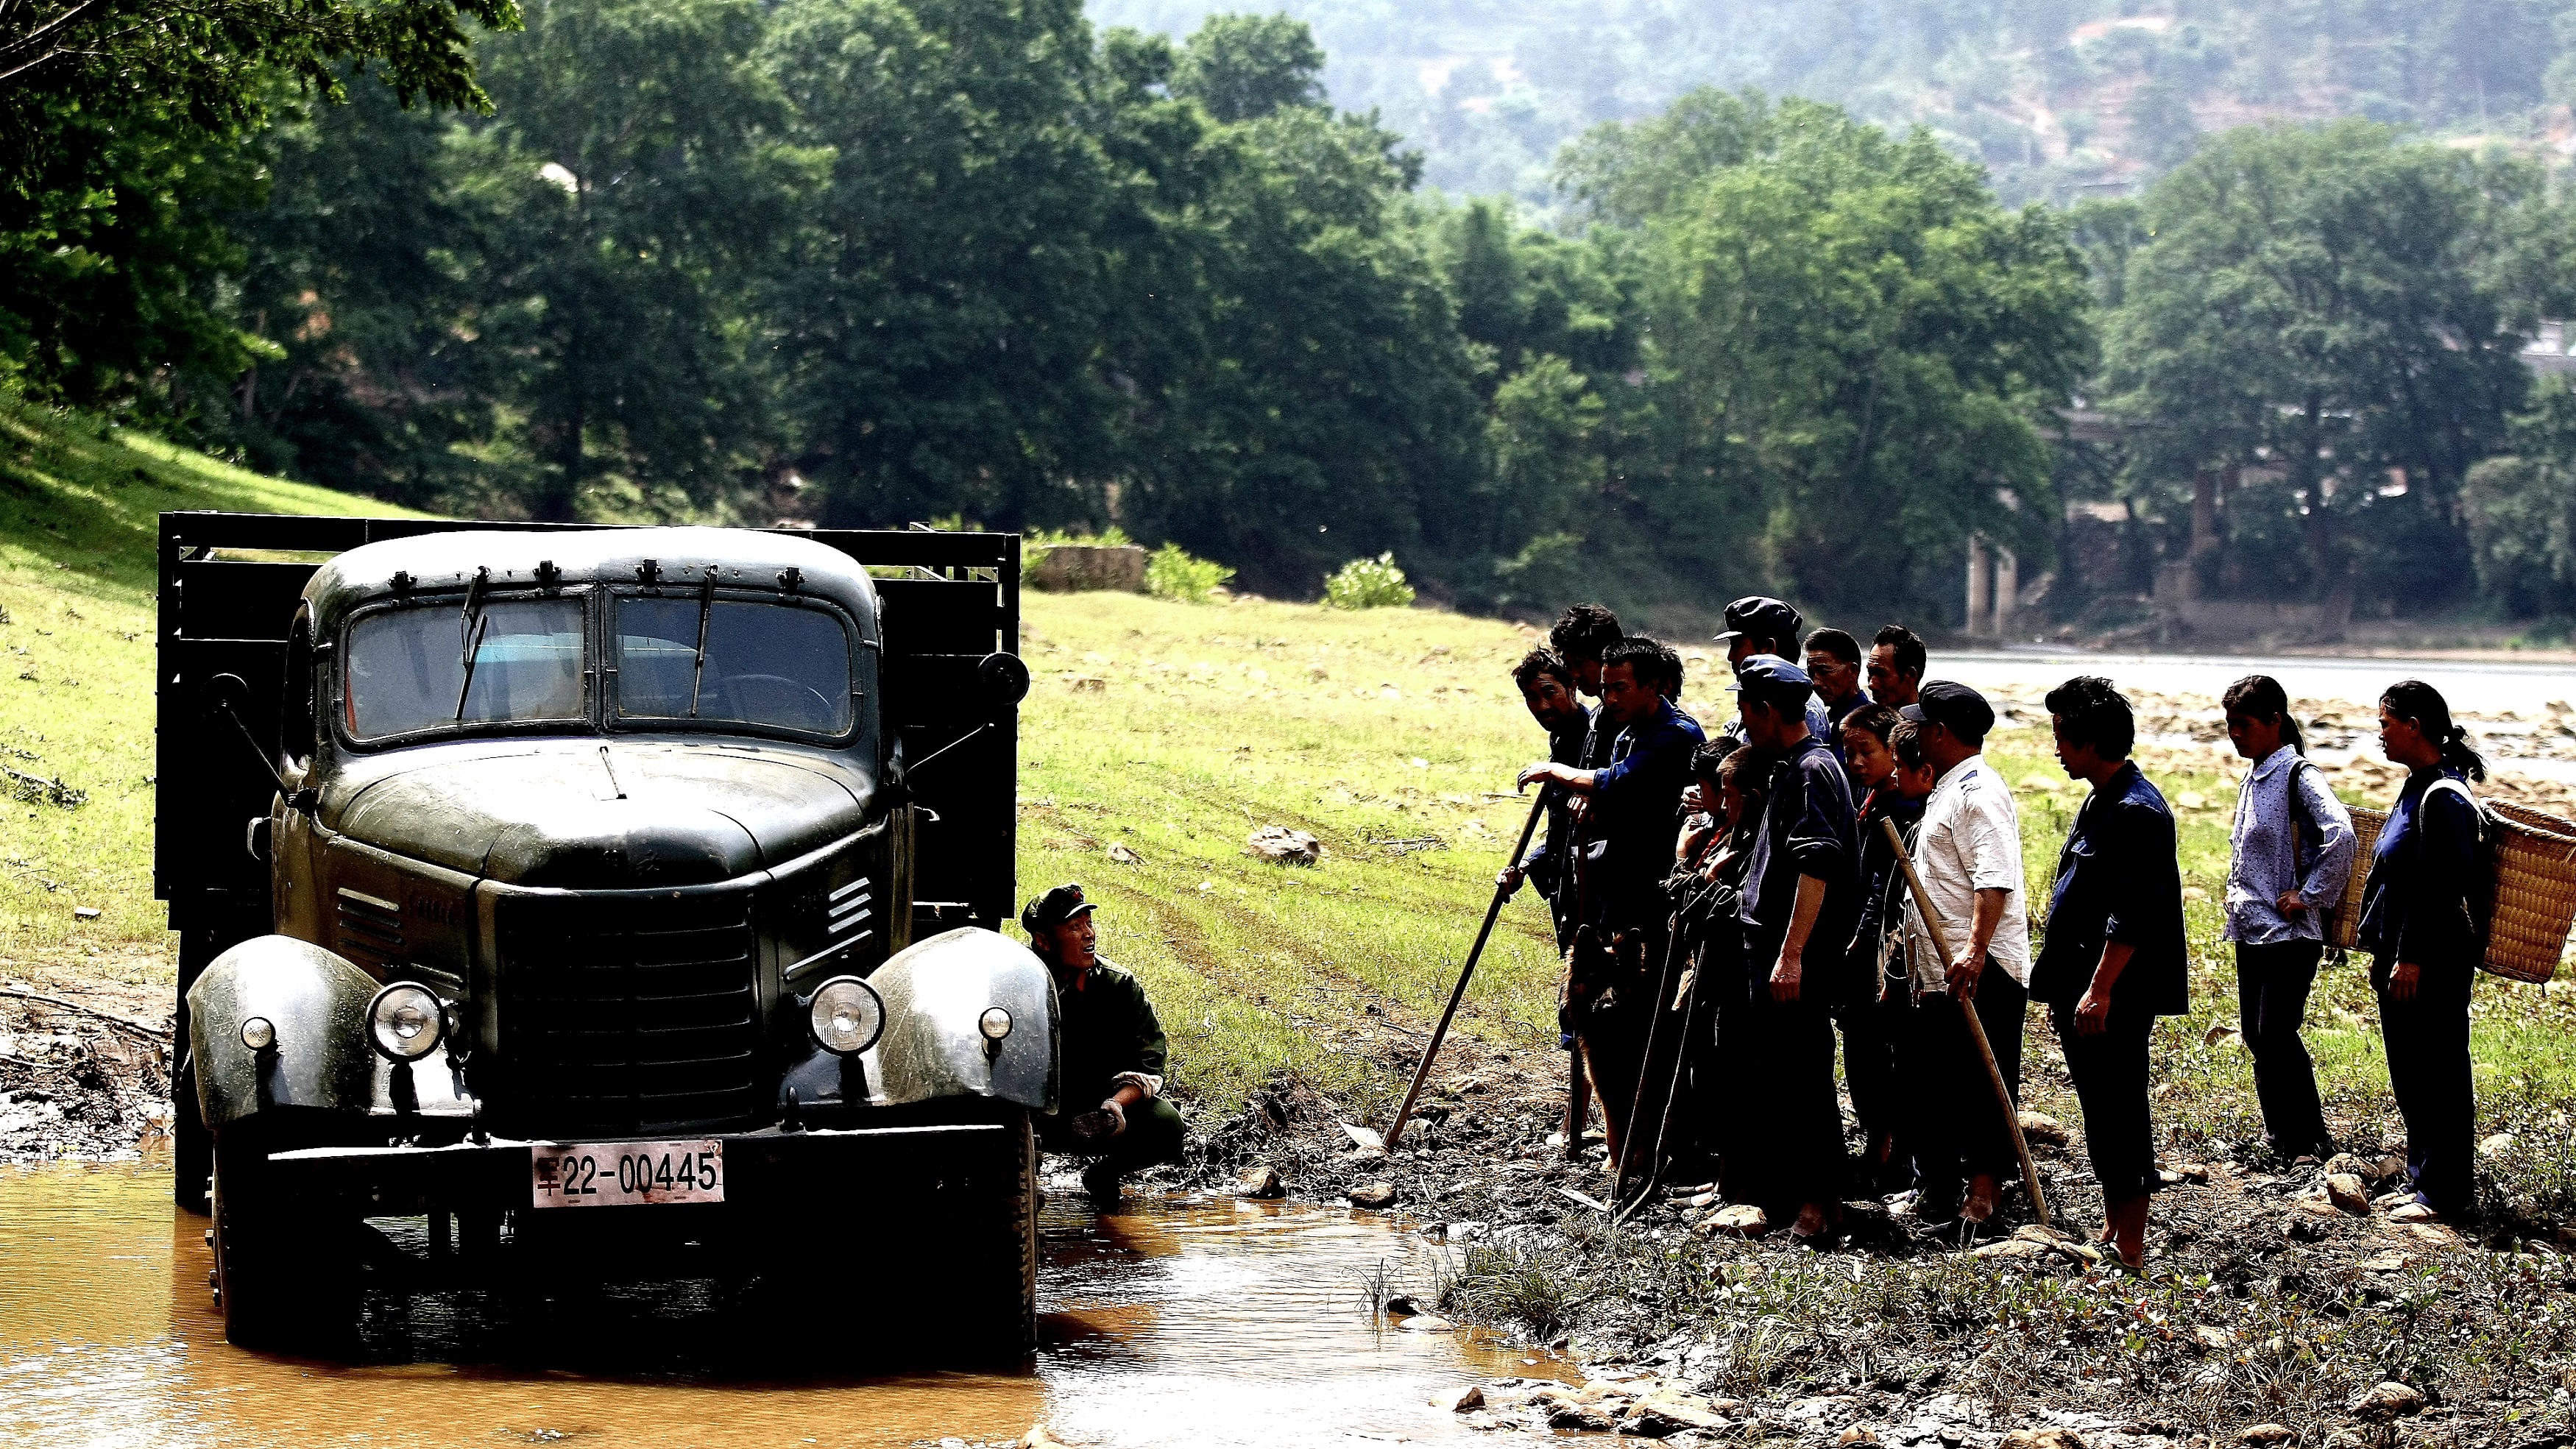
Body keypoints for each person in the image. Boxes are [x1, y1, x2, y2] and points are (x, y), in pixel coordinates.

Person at [1518, 637, 1707, 1168]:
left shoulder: (1676, 735)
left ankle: (1666, 1143)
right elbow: (1613, 803)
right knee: (1607, 1024)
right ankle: (1624, 1141)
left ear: (1653, 686)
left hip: (1657, 901)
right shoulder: (1622, 730)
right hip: (1615, 895)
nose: (1611, 697)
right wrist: (1592, 809)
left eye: (1621, 687)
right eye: (1606, 688)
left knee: (1655, 1026)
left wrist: (1561, 775)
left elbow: (1623, 784)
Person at [2028, 677, 2187, 1271]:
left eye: (2063, 738)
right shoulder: (2100, 797)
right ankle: (2113, 1222)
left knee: (2120, 1106)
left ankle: (2132, 1241)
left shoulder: (2137, 810)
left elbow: (2132, 915)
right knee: (2099, 1106)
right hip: (2083, 984)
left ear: (2091, 741)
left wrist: (2099, 989)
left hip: (2113, 990)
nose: (2057, 750)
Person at [1728, 655, 1858, 1243]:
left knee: (1803, 1075)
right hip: (1777, 950)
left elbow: (1817, 864)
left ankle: (1817, 1204)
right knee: (1787, 1074)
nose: (1743, 720)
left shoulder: (1811, 769)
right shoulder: (1793, 766)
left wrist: (1792, 953)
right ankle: (1810, 1198)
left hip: (1795, 959)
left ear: (1764, 710)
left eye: (1746, 709)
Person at [1894, 681, 2030, 1231]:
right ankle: (1943, 1190)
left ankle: (1985, 1195)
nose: (1918, 735)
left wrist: (1974, 951)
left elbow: (1993, 881)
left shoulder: (1979, 790)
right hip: (1941, 966)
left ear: (1941, 732)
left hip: (1982, 967)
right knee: (1942, 1081)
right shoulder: (1948, 788)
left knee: (1982, 1080)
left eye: (1923, 726)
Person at [2356, 680, 2488, 1224]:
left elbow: (2440, 885)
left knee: (2440, 1071)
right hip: (2401, 957)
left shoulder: (2445, 796)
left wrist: (2410, 956)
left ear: (2414, 726)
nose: (2380, 734)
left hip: (2430, 961)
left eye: (2386, 724)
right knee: (2412, 1070)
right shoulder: (2416, 786)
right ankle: (2421, 1179)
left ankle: (2446, 1192)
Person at [2221, 673, 2356, 1163]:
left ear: (2275, 720)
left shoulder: (2299, 775)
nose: (2235, 733)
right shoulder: (2254, 775)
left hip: (2290, 931)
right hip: (2252, 928)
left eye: (2245, 724)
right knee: (2258, 1034)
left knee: (2277, 1030)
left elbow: (2341, 834)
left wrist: (2309, 894)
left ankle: (2310, 1139)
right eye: (2230, 724)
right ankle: (2281, 1134)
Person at [1022, 884, 1186, 1201]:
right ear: (1043, 940)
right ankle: (1025, 1184)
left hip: (1096, 1108)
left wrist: (1116, 1105)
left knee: (1165, 1127)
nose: (1089, 935)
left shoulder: (1118, 985)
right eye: (1074, 927)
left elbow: (1148, 1059)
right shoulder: (1016, 982)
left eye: (1088, 923)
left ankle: (1102, 1175)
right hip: (1031, 1110)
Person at [1839, 702, 1916, 1191]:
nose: (1856, 762)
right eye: (1849, 752)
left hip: (1881, 942)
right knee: (1860, 1046)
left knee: (1883, 1048)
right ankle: (1875, 1142)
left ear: (1893, 749)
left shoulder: (1904, 808)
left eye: (1865, 751)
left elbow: (1886, 888)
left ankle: (1892, 1151)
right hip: (1859, 937)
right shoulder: (1869, 801)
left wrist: (1865, 934)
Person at [1501, 648, 1591, 950]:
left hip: (1591, 884)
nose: (1541, 706)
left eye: (1549, 692)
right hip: (1566, 879)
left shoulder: (1594, 739)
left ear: (1572, 687)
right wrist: (1526, 866)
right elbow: (1561, 830)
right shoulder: (1561, 737)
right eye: (1531, 697)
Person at [1714, 597, 1833, 740]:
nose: (1730, 656)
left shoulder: (1802, 709)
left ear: (1768, 648)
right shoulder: (1759, 699)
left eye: (1737, 645)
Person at [1804, 628, 1871, 737]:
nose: (1815, 683)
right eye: (1811, 674)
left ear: (1852, 671)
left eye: (1824, 672)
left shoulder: (1874, 725)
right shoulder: (1822, 722)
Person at [1866, 626, 1926, 712]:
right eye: (1870, 672)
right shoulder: (1863, 722)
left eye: (1881, 674)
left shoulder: (1936, 723)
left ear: (1911, 675)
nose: (1872, 685)